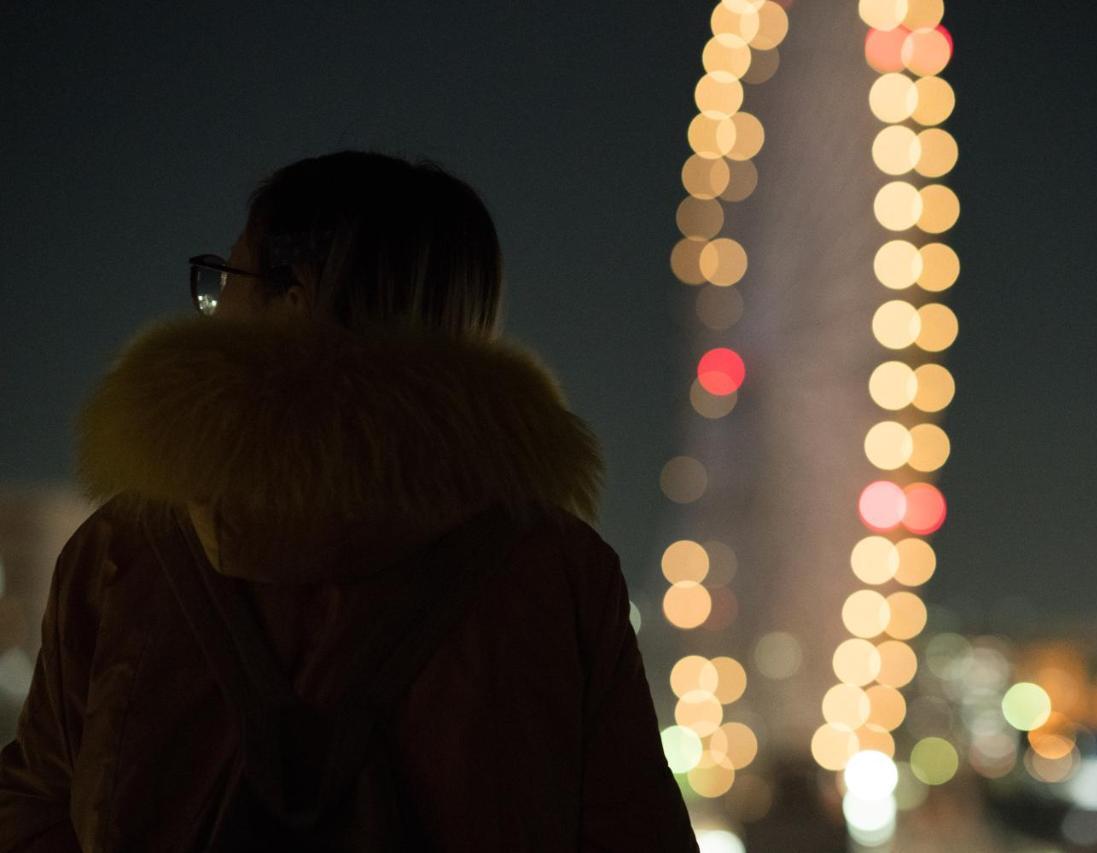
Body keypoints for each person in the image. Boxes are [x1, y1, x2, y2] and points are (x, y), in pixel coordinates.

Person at [0, 150, 700, 851]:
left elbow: (36, 805)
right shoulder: (560, 577)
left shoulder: (126, 551)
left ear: (295, 296)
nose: (213, 306)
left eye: (228, 279)